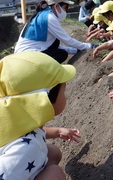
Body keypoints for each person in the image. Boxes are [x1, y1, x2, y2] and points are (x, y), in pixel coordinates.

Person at [0, 51, 80, 179]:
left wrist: (57, 131)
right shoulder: (24, 151)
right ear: (44, 100)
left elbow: (32, 132)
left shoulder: (14, 121)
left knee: (52, 153)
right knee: (55, 174)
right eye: (64, 91)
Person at [14, 0, 98, 63]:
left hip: (25, 54)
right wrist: (89, 46)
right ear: (57, 6)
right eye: (65, 8)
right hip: (28, 55)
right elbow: (67, 40)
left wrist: (74, 50)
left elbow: (49, 47)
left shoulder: (42, 15)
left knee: (56, 46)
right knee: (61, 54)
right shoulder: (49, 18)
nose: (65, 12)